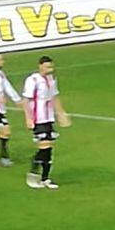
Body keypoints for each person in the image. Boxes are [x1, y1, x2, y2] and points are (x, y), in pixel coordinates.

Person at [23, 55, 70, 190]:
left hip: (49, 118)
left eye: (51, 66)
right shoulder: (33, 80)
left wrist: (61, 114)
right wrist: (28, 118)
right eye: (48, 66)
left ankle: (45, 178)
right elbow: (26, 100)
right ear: (40, 66)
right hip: (38, 118)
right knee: (43, 148)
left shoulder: (51, 79)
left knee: (49, 150)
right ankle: (32, 175)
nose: (50, 69)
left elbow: (55, 97)